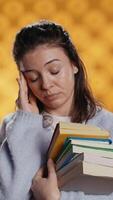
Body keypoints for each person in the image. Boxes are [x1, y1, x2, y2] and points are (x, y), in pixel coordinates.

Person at [0, 20, 113, 200]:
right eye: (33, 77)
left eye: (54, 71)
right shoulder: (13, 128)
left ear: (74, 64)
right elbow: (9, 196)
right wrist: (27, 123)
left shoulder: (108, 125)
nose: (46, 85)